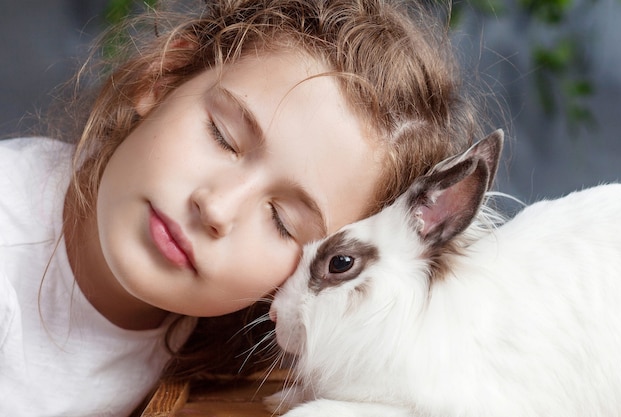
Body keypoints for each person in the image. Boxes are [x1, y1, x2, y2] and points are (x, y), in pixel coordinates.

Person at [0, 0, 489, 415]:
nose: (216, 207)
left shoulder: (242, 350)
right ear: (163, 77)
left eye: (281, 222)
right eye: (222, 136)